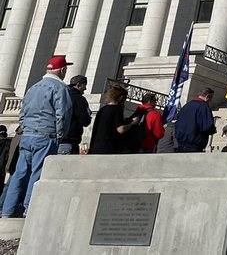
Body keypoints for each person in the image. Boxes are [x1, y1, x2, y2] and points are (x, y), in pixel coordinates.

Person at [1, 54, 74, 218]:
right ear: (62, 70)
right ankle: (29, 209)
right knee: (38, 173)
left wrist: (26, 128)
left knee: (19, 173)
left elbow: (22, 113)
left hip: (27, 135)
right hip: (46, 135)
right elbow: (63, 114)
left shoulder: (33, 87)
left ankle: (7, 210)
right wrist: (60, 134)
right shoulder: (60, 88)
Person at [89, 85, 142, 155]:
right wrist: (132, 123)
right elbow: (120, 129)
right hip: (108, 148)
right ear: (121, 97)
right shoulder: (116, 110)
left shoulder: (103, 109)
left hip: (95, 147)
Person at [174, 88, 217, 153]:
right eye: (211, 98)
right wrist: (213, 130)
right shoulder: (203, 107)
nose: (210, 101)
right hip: (195, 145)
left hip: (180, 144)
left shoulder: (186, 106)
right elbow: (207, 126)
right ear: (207, 96)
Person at [63, 75, 92, 155]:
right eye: (84, 86)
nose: (85, 89)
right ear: (78, 85)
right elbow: (85, 121)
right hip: (70, 140)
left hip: (57, 139)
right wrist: (89, 115)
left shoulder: (62, 96)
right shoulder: (79, 99)